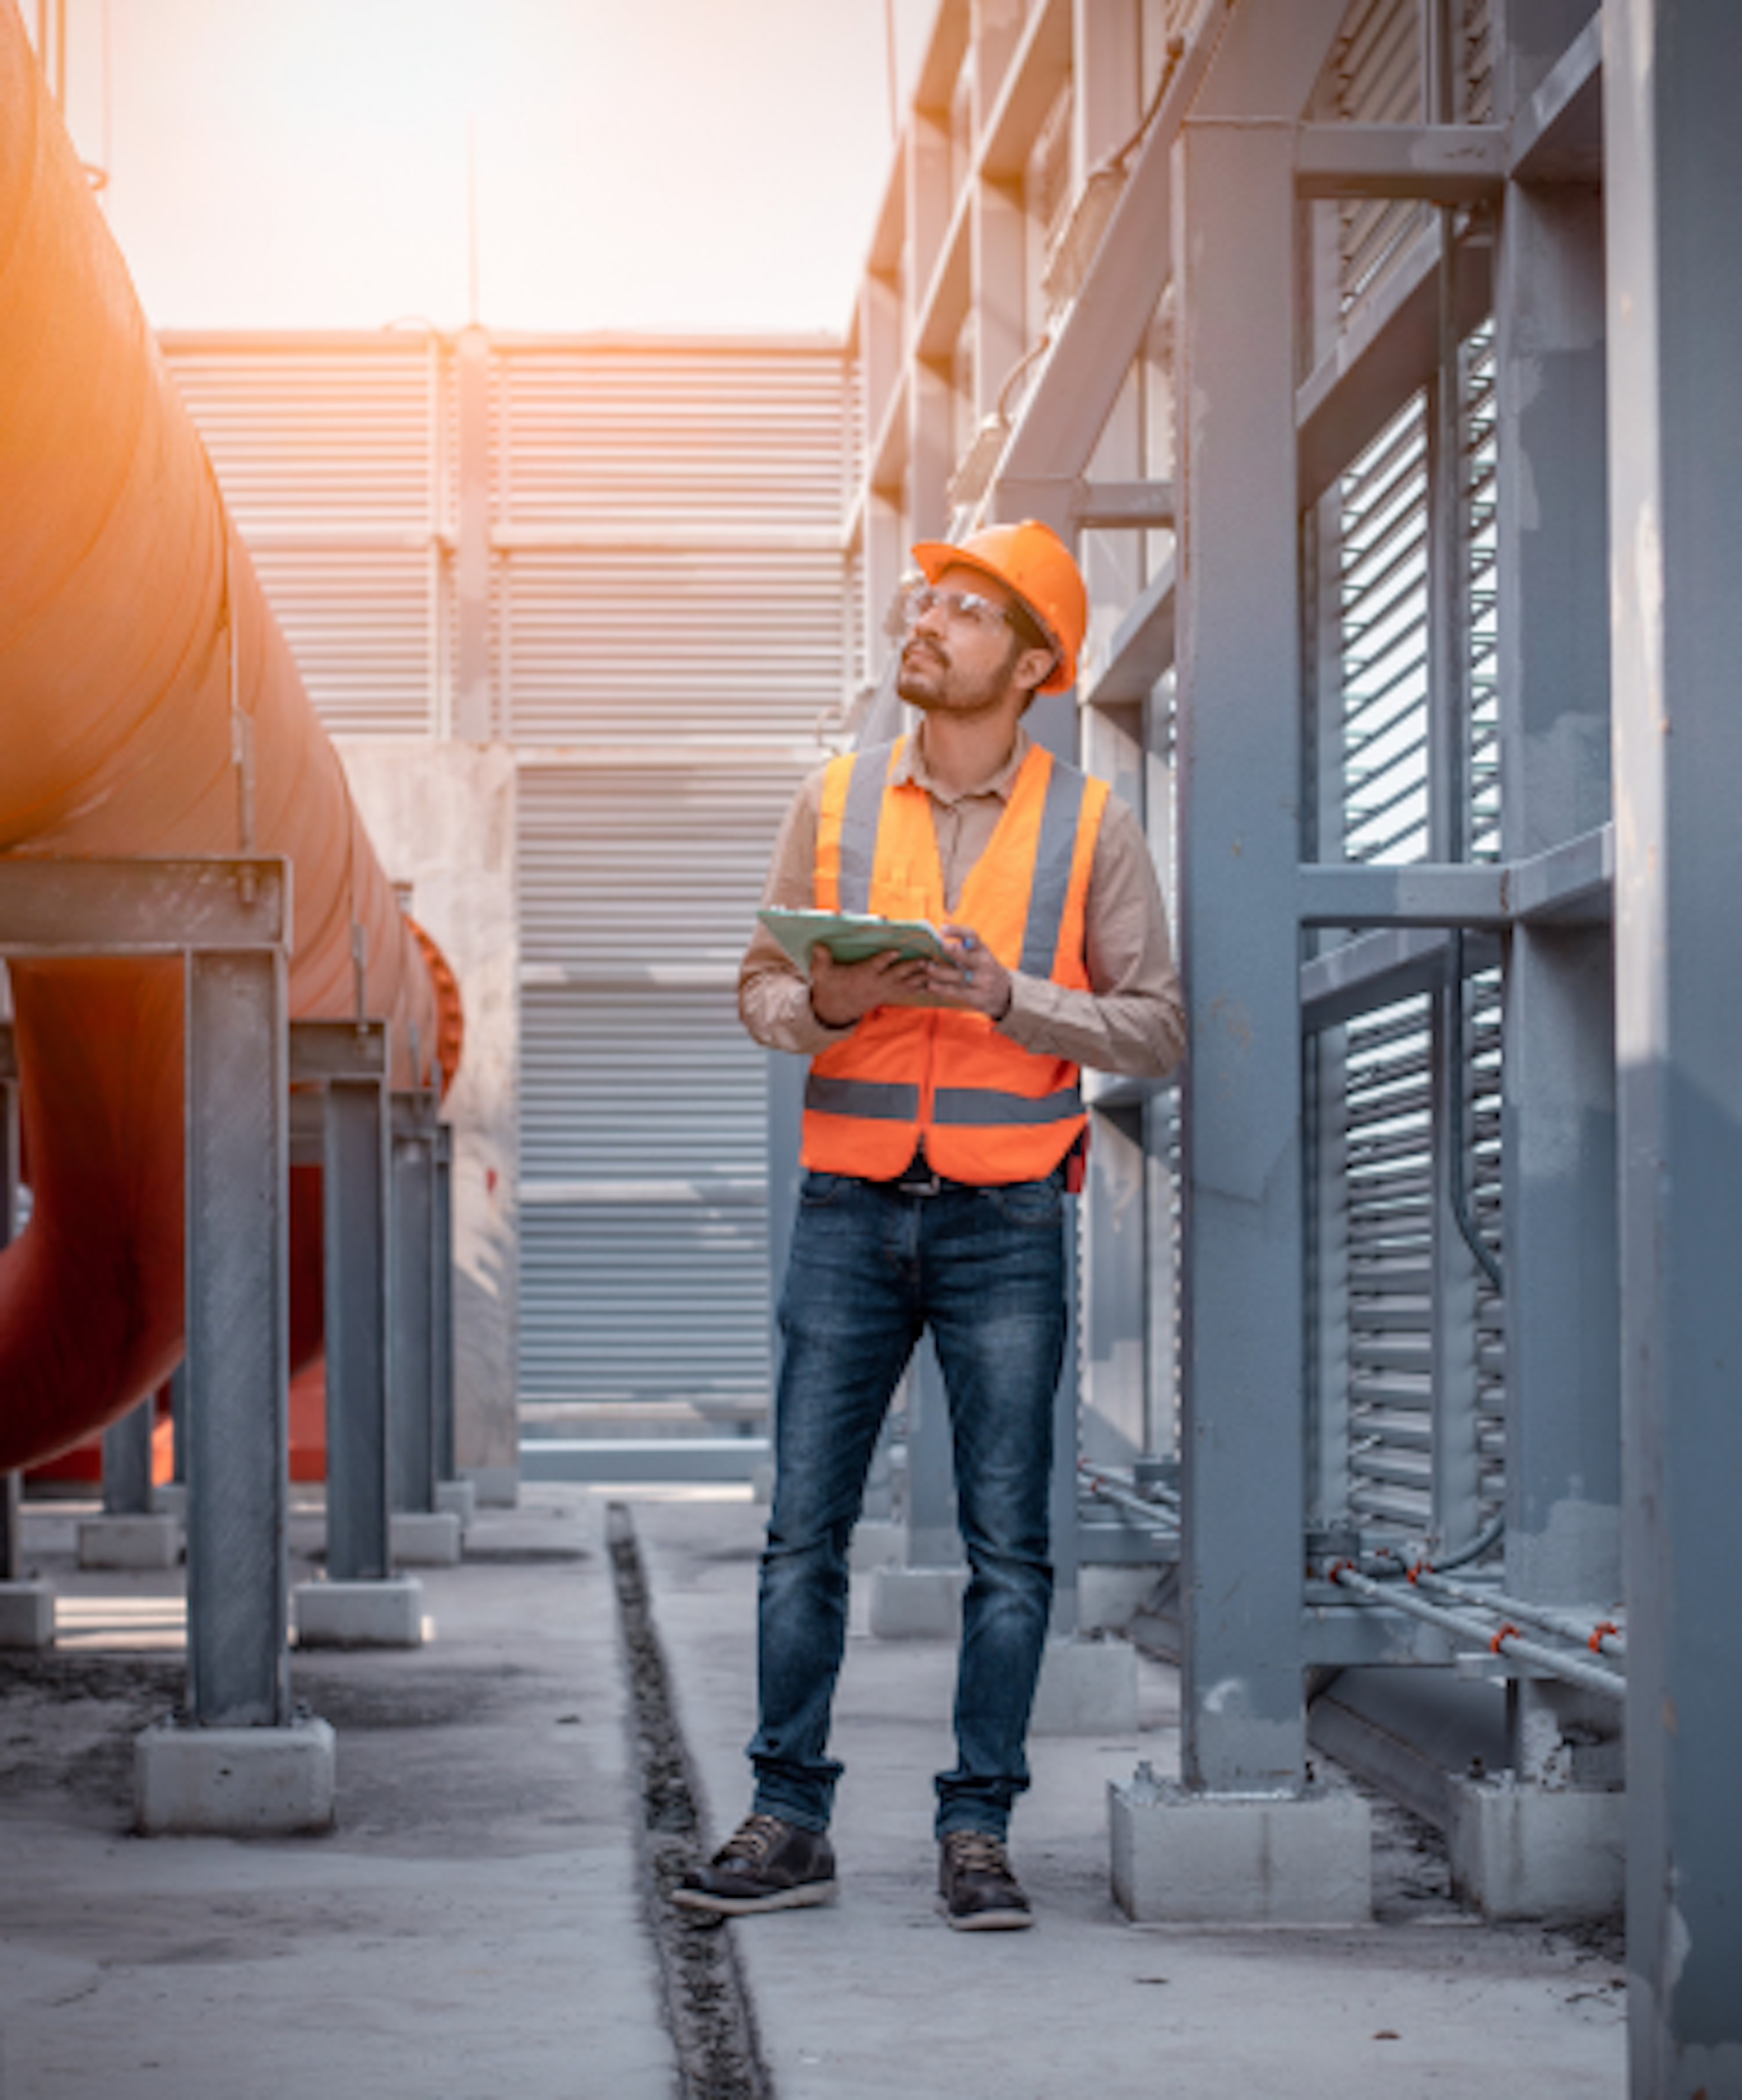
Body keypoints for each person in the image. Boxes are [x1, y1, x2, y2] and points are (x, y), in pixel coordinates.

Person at [674, 520, 1185, 1932]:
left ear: (1032, 663)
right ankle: (789, 1818)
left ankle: (979, 1833)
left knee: (1011, 1546)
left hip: (1006, 1215)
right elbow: (761, 986)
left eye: (966, 610)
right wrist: (827, 1004)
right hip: (847, 1205)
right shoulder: (835, 799)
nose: (928, 619)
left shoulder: (1094, 825)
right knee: (803, 1533)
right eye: (927, 601)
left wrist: (1007, 997)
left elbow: (1158, 1024)